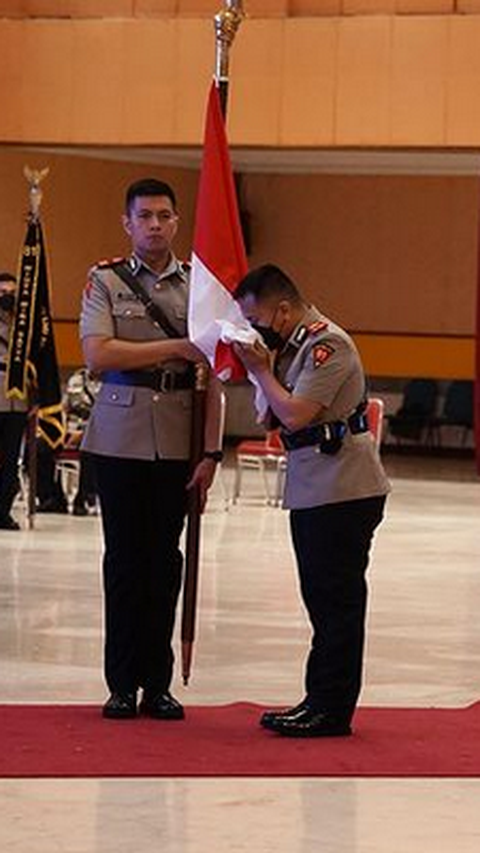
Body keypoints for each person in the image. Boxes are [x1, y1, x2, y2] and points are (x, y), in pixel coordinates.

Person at [80, 178, 223, 721]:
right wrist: (177, 346)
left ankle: (157, 684)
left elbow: (214, 372)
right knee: (123, 562)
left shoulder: (199, 288)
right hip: (120, 438)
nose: (155, 225)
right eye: (144, 216)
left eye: (164, 215)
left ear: (177, 221)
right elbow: (97, 352)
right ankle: (120, 683)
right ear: (127, 222)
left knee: (165, 564)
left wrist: (210, 453)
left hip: (179, 441)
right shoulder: (105, 281)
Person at [233, 264, 390, 738]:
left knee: (336, 601)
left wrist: (261, 369)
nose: (254, 329)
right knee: (319, 599)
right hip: (316, 485)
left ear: (282, 310)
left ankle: (332, 709)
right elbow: (268, 415)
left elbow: (297, 414)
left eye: (256, 317)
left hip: (344, 488)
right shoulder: (293, 347)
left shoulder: (328, 344)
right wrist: (266, 371)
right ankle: (317, 698)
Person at [36, 367, 99, 515]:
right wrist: (60, 431)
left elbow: (108, 417)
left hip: (96, 432)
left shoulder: (112, 381)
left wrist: (83, 433)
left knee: (88, 449)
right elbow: (64, 408)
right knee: (41, 446)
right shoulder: (76, 379)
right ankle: (52, 497)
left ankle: (83, 499)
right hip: (69, 429)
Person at [0, 272, 28, 531]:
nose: (7, 298)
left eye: (12, 294)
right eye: (2, 293)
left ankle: (3, 511)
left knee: (10, 460)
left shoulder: (26, 326)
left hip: (17, 401)